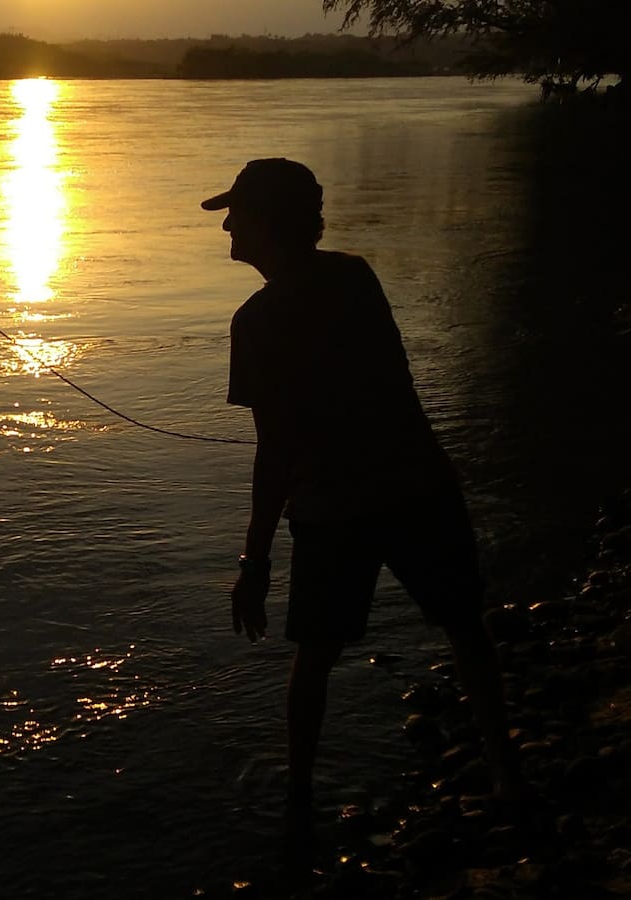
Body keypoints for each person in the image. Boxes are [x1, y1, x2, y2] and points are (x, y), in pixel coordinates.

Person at [202, 158, 522, 828]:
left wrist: (253, 564)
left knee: (315, 656)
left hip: (336, 509)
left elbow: (276, 453)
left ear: (269, 222)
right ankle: (506, 774)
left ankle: (297, 806)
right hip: (419, 485)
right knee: (465, 627)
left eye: (238, 212)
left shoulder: (256, 320)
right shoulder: (355, 276)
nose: (227, 224)